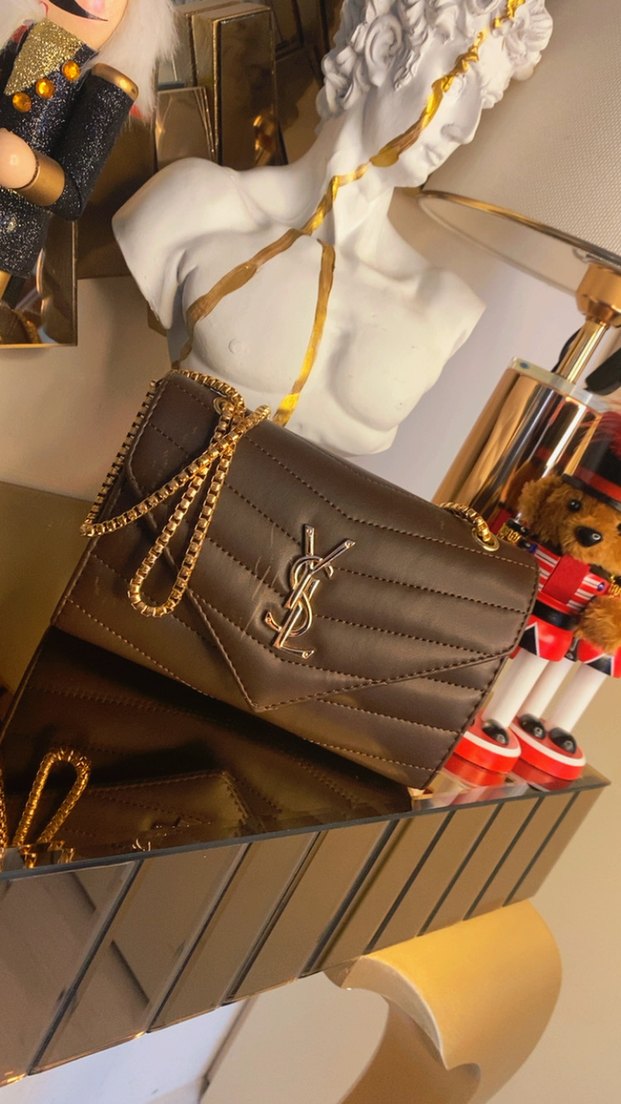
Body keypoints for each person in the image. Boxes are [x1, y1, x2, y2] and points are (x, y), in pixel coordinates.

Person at [114, 0, 552, 457]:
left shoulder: (444, 308)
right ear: (383, 47)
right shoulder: (195, 206)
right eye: (465, 85)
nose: (466, 129)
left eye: (487, 100)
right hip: (163, 494)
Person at [0, 0, 175, 339]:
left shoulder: (107, 86)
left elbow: (73, 196)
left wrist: (25, 169)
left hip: (9, 231)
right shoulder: (16, 41)